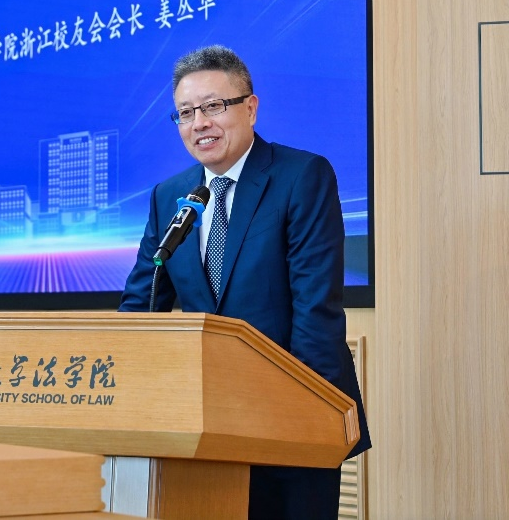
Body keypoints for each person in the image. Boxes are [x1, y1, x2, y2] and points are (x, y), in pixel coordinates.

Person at [119, 45, 370, 520]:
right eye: (186, 113)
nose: (199, 123)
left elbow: (315, 311)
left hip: (293, 421)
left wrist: (296, 418)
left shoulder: (301, 176)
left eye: (214, 106)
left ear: (250, 108)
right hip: (203, 427)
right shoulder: (169, 196)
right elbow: (141, 303)